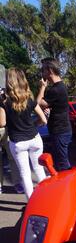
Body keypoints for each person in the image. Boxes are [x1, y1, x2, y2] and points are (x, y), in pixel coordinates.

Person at [0, 68, 47, 200]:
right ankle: (46, 199)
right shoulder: (29, 99)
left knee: (25, 174)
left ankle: (32, 203)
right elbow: (43, 120)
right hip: (34, 139)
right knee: (39, 170)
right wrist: (33, 124)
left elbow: (2, 123)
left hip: (18, 142)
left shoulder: (4, 102)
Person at [37, 57, 72, 171]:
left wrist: (42, 87)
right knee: (60, 160)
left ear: (50, 71)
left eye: (43, 70)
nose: (42, 73)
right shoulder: (60, 87)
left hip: (60, 132)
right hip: (61, 130)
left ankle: (66, 186)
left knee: (62, 163)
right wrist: (50, 108)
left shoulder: (56, 89)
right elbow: (55, 105)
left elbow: (38, 103)